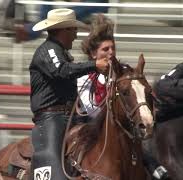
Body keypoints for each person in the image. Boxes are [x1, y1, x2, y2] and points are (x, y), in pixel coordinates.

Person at [76, 14, 169, 180]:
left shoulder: (124, 72)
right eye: (105, 49)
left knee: (139, 147)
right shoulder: (84, 77)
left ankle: (158, 172)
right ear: (93, 54)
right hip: (91, 129)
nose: (111, 52)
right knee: (75, 151)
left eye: (113, 48)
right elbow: (92, 111)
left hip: (122, 127)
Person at [29, 8, 109, 180]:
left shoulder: (60, 53)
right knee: (52, 163)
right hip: (51, 118)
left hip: (69, 116)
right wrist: (93, 65)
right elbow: (61, 71)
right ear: (63, 30)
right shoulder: (48, 50)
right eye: (73, 29)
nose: (75, 33)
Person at [16, 0, 109, 43]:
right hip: (86, 6)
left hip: (96, 3)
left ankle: (29, 32)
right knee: (56, 14)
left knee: (62, 14)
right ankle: (29, 32)